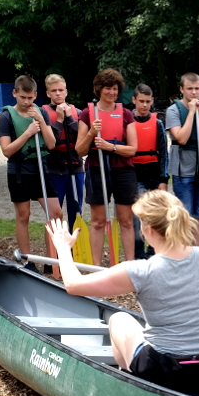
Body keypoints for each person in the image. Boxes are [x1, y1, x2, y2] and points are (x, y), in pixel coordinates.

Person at [46, 190, 199, 396]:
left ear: (148, 230)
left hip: (165, 371)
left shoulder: (140, 271)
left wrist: (63, 249)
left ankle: (130, 380)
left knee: (118, 319)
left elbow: (73, 285)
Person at [0, 75, 65, 268]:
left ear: (36, 95)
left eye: (30, 97)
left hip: (40, 169)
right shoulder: (6, 117)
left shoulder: (41, 113)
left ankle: (52, 261)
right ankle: (26, 260)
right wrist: (27, 133)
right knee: (24, 215)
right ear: (15, 94)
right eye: (22, 97)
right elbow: (6, 150)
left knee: (56, 213)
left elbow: (51, 144)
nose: (27, 102)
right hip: (19, 170)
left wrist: (42, 123)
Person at [76, 68, 139, 265]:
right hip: (96, 169)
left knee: (126, 220)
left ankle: (128, 266)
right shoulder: (88, 114)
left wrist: (110, 147)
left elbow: (132, 149)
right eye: (107, 89)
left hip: (123, 171)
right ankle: (96, 268)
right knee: (98, 221)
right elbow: (80, 150)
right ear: (98, 89)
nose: (111, 93)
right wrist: (91, 134)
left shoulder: (127, 114)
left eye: (114, 89)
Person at [167, 73, 199, 222]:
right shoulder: (173, 111)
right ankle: (185, 246)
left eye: (197, 88)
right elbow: (181, 138)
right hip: (183, 171)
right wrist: (191, 112)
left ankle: (198, 245)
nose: (193, 92)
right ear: (182, 89)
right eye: (189, 89)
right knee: (185, 215)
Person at [42, 74, 85, 232]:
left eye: (61, 90)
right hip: (54, 168)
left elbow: (80, 136)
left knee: (76, 210)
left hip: (75, 166)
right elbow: (49, 142)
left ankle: (75, 249)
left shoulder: (77, 112)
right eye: (54, 91)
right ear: (48, 94)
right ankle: (57, 250)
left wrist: (69, 117)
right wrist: (59, 119)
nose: (58, 93)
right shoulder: (43, 113)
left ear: (66, 92)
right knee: (55, 212)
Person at [131, 84, 169, 259]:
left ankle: (154, 252)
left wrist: (164, 179)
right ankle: (138, 255)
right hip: (136, 175)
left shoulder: (158, 122)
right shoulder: (128, 120)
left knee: (157, 216)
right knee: (137, 217)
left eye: (147, 101)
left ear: (152, 101)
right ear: (134, 100)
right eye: (141, 101)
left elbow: (164, 153)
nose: (144, 105)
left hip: (154, 176)